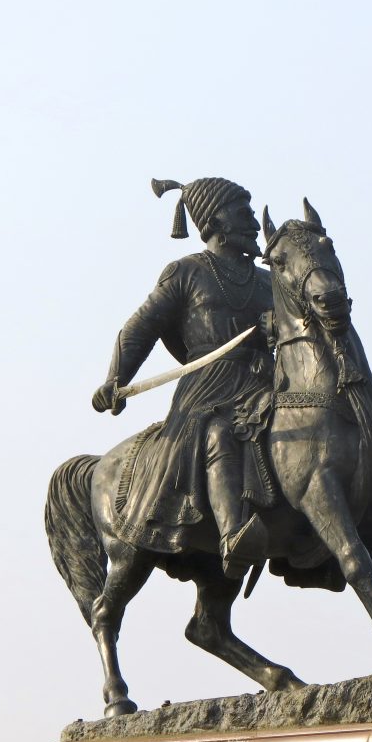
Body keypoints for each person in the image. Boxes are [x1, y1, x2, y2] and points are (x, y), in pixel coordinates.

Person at [91, 176, 274, 578]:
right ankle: (231, 535)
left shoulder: (269, 280)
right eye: (242, 213)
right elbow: (139, 329)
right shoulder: (186, 272)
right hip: (211, 388)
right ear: (216, 221)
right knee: (220, 432)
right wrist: (115, 378)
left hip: (267, 383)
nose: (252, 222)